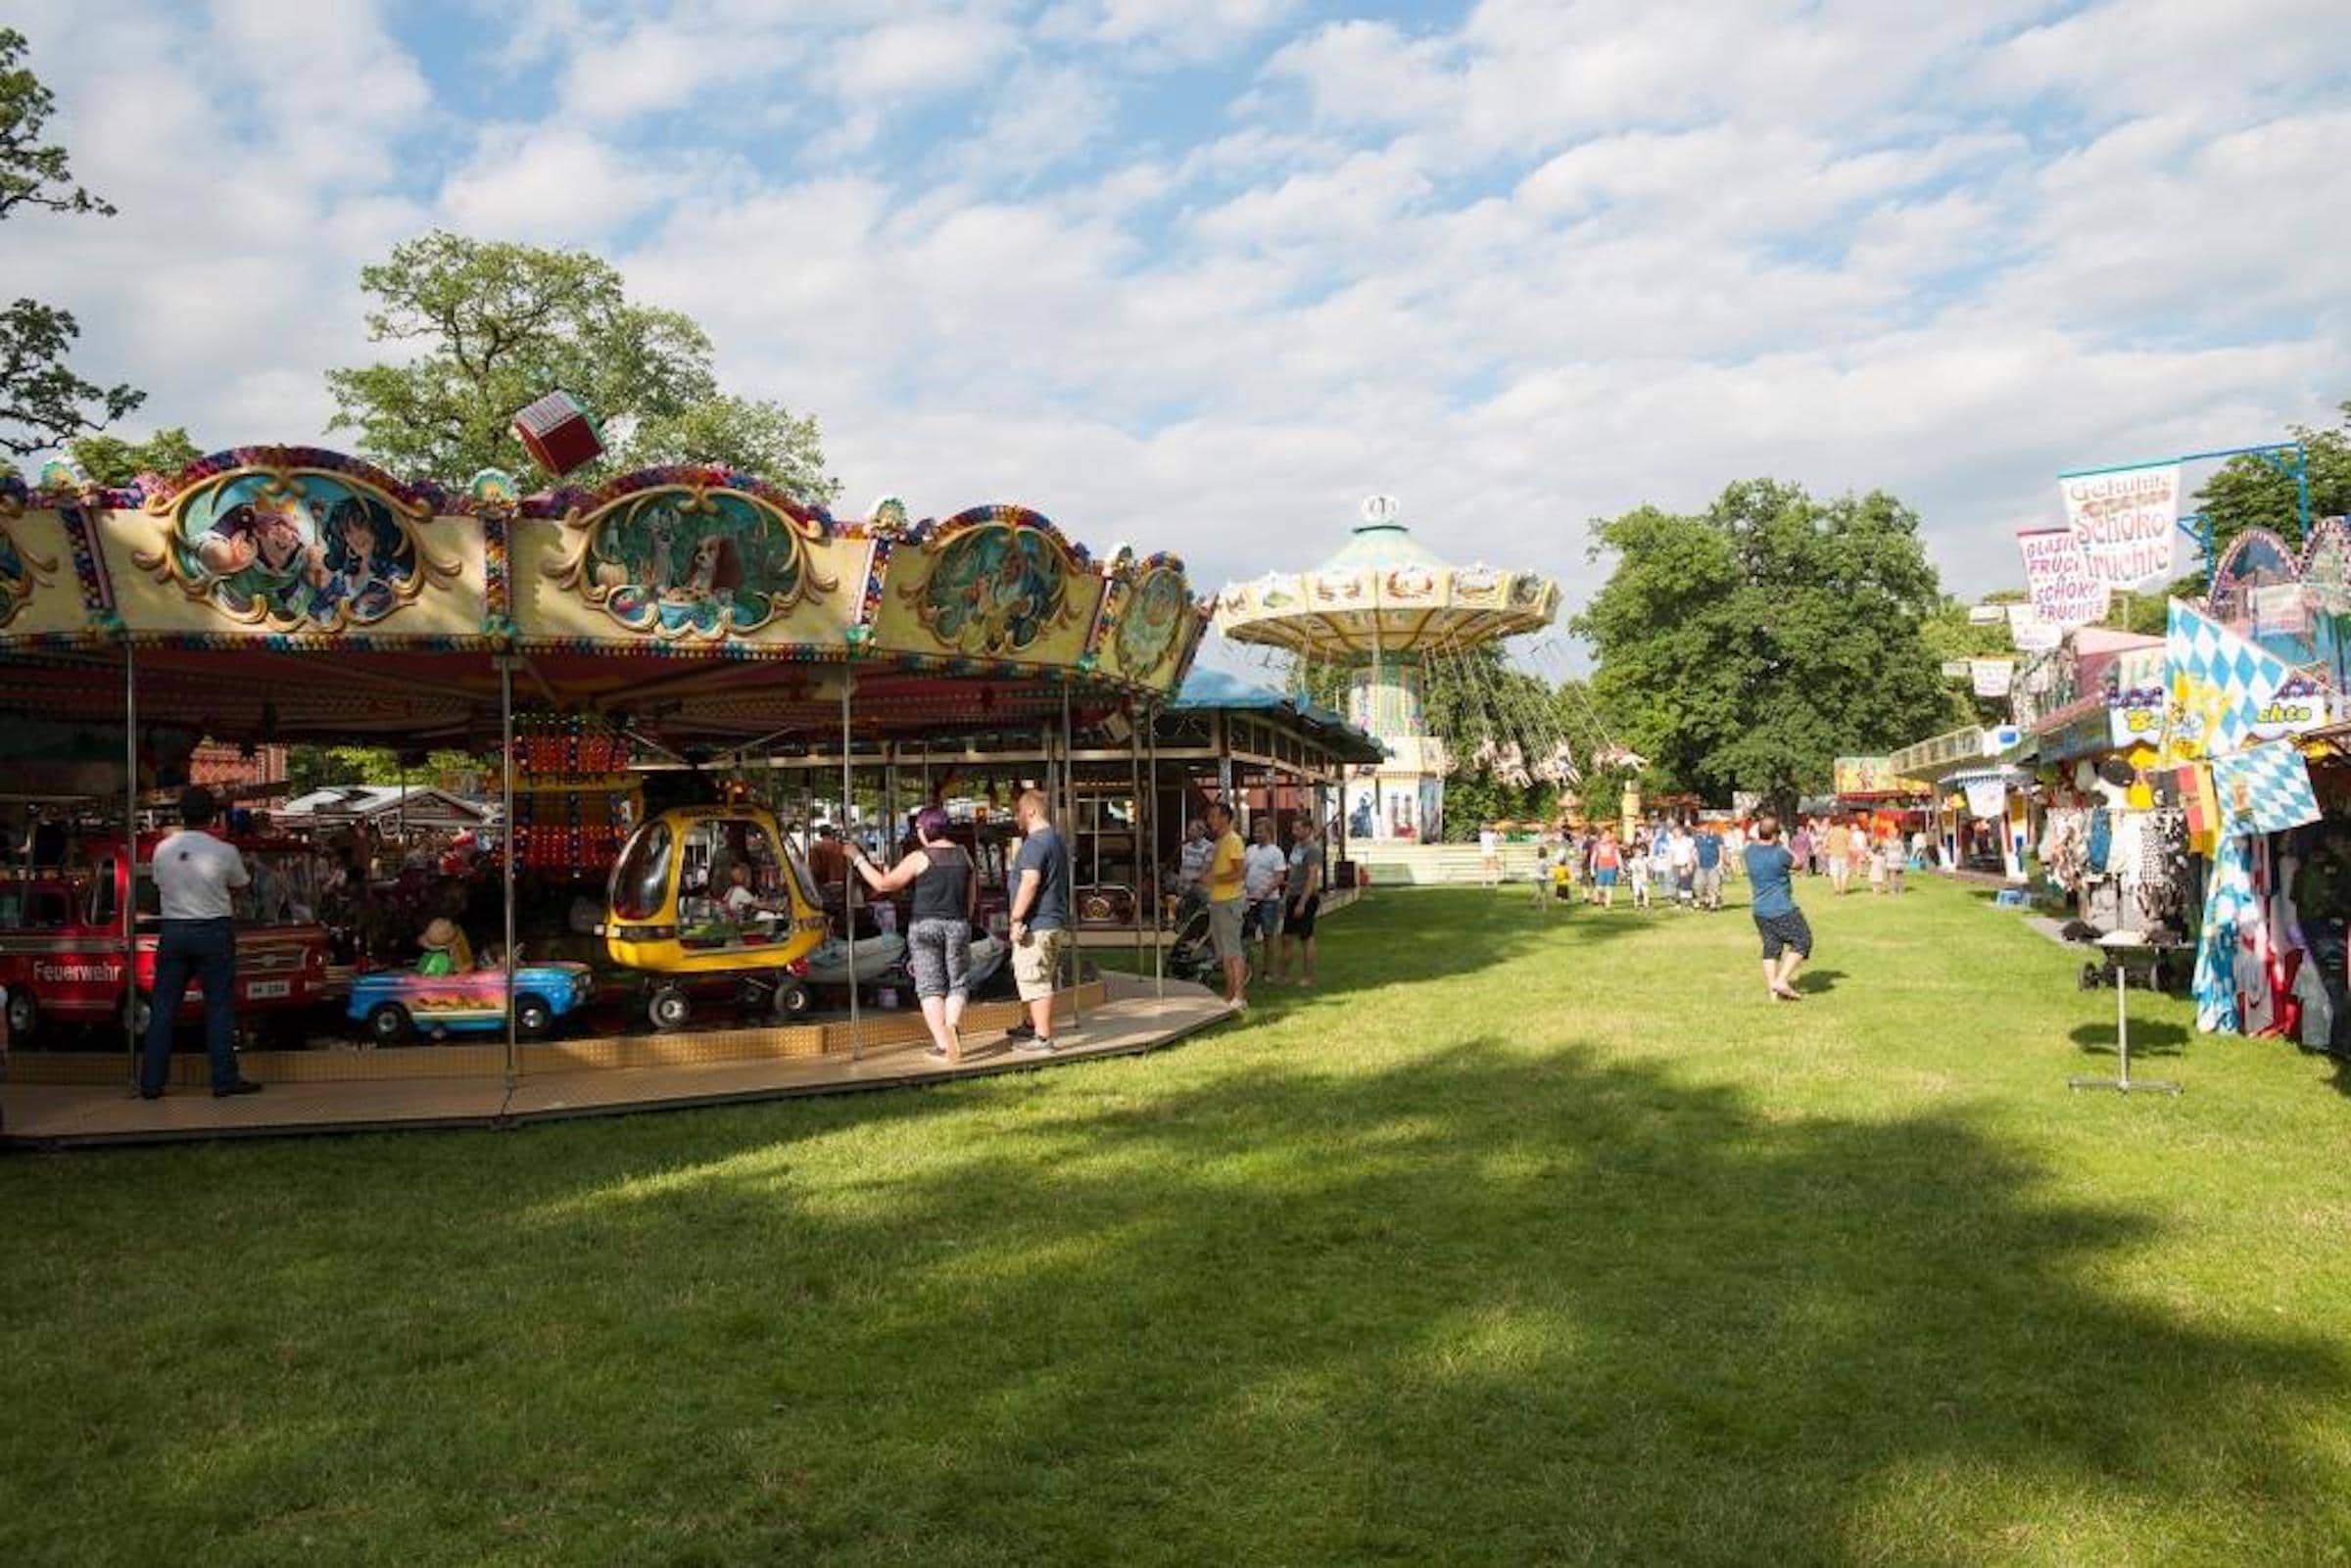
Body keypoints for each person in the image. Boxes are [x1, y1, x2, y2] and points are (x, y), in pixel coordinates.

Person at [139, 786, 262, 1100]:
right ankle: (223, 1079)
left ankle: (151, 1082)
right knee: (218, 1006)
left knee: (164, 1008)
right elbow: (241, 886)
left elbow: (157, 885)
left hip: (174, 930)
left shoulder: (163, 850)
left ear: (181, 813)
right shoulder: (224, 851)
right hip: (213, 930)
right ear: (212, 815)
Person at [849, 806, 977, 1063]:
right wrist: (964, 919)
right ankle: (952, 1024)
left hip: (925, 925)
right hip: (957, 923)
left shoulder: (921, 857)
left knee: (930, 986)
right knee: (958, 982)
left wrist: (857, 857)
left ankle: (943, 1045)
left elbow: (883, 885)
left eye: (917, 828)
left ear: (926, 828)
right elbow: (971, 897)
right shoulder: (965, 855)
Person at [1004, 788, 1074, 1053]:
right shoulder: (1055, 840)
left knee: (1035, 979)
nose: (1016, 817)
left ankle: (1043, 1038)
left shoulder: (1034, 843)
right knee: (1038, 974)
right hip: (1052, 920)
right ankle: (1033, 1024)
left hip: (1037, 923)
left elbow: (1030, 881)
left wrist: (1016, 917)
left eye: (1019, 811)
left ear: (1031, 811)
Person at [1742, 813, 1812, 1003]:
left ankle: (1773, 992)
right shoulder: (1780, 853)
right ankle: (1781, 981)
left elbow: (1755, 842)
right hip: (1781, 907)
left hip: (1759, 909)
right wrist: (1783, 844)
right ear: (1776, 834)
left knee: (1771, 947)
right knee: (1802, 940)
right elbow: (1798, 863)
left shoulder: (1748, 851)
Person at [1202, 799, 1248, 1007]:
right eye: (1209, 816)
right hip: (1218, 901)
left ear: (1225, 818)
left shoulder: (1233, 840)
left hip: (1230, 901)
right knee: (1224, 953)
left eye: (1213, 816)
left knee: (1233, 951)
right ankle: (1230, 995)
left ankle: (1240, 996)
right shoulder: (1219, 842)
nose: (1210, 820)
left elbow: (1240, 872)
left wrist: (1215, 879)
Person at [1274, 818, 1323, 986]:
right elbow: (1293, 873)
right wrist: (1286, 896)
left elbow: (1312, 877)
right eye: (1293, 828)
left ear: (1308, 829)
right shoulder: (1296, 847)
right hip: (1292, 895)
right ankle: (1284, 975)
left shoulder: (1313, 850)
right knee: (1286, 937)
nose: (1294, 832)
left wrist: (1303, 902)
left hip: (1306, 897)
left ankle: (1309, 977)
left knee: (1306, 937)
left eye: (1298, 828)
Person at [1242, 818, 1288, 970]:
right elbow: (1244, 871)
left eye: (1260, 831)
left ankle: (1267, 969)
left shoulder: (1276, 852)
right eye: (1255, 831)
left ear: (1269, 832)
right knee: (1247, 935)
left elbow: (1279, 877)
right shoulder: (1250, 850)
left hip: (1269, 901)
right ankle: (1246, 966)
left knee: (1268, 935)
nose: (1256, 834)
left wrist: (1265, 892)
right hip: (1250, 900)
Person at [1694, 825, 1724, 911]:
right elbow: (1695, 850)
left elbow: (1721, 849)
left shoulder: (1716, 837)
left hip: (1713, 865)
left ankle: (1713, 904)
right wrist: (1696, 861)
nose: (1704, 829)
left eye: (1706, 827)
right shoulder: (1697, 838)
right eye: (1702, 827)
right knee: (1698, 885)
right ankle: (1705, 901)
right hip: (1701, 866)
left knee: (1714, 885)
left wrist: (1720, 861)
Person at [1592, 828, 1622, 909]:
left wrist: (1620, 867)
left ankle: (1607, 904)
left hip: (1611, 867)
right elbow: (1593, 857)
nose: (1608, 836)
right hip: (1601, 867)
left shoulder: (1613, 844)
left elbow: (1617, 855)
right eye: (1606, 835)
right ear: (1602, 836)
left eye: (1609, 835)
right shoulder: (1597, 845)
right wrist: (1592, 868)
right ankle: (1603, 898)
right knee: (1599, 888)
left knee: (1609, 886)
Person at [1669, 823, 1698, 907]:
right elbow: (1671, 854)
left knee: (1687, 883)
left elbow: (1693, 852)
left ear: (1681, 831)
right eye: (1674, 832)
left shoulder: (1689, 841)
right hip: (1676, 864)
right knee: (1677, 883)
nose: (1676, 833)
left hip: (1686, 864)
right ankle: (1678, 902)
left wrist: (1690, 863)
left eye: (1677, 831)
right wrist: (1670, 864)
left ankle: (1693, 900)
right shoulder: (1672, 842)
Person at [1478, 823, 1503, 888]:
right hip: (1492, 852)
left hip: (1484, 853)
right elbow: (1500, 839)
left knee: (1485, 869)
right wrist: (1498, 831)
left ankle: (1484, 883)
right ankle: (1495, 883)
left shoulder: (1482, 835)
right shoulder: (1492, 835)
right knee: (1494, 869)